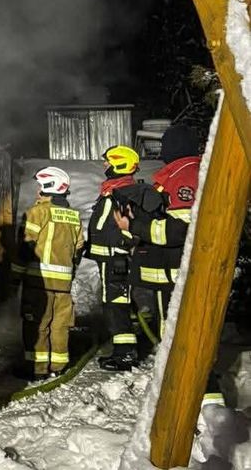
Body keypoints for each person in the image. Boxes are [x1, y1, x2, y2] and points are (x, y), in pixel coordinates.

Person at [115, 124, 225, 408]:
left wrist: (136, 224)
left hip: (179, 276)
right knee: (181, 339)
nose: (161, 150)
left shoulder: (185, 176)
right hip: (174, 276)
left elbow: (180, 231)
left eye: (165, 144)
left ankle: (201, 408)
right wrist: (133, 226)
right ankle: (197, 404)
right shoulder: (187, 172)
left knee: (184, 342)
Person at [12, 166, 84, 378]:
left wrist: (15, 278)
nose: (37, 192)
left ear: (48, 187)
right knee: (60, 326)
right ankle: (58, 367)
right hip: (64, 286)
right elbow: (78, 249)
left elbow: (25, 248)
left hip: (39, 283)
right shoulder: (73, 216)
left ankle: (37, 368)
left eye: (40, 187)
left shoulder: (37, 213)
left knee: (37, 326)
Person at [87, 144, 141, 370]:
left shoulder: (124, 193)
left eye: (108, 161)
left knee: (116, 304)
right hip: (109, 259)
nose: (104, 165)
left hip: (116, 260)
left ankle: (125, 354)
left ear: (120, 164)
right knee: (115, 302)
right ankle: (124, 350)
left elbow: (130, 228)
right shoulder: (115, 190)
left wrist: (120, 252)